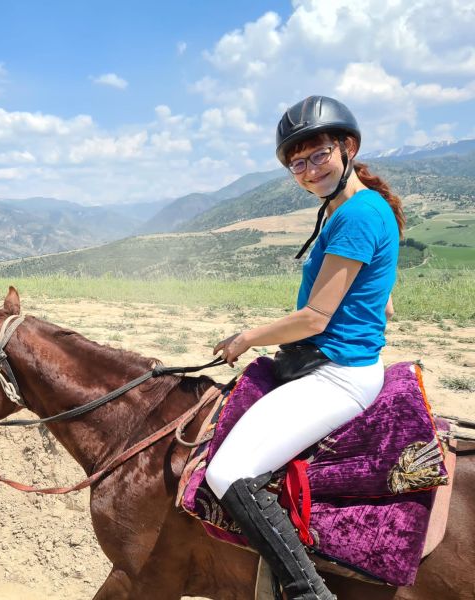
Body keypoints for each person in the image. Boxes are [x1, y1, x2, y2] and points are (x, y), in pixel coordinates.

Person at [205, 95, 404, 600]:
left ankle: (308, 592)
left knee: (228, 472)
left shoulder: (357, 214)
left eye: (318, 156)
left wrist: (246, 337)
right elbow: (366, 284)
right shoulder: (353, 207)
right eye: (298, 164)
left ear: (347, 148)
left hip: (338, 374)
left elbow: (315, 317)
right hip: (333, 362)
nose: (309, 170)